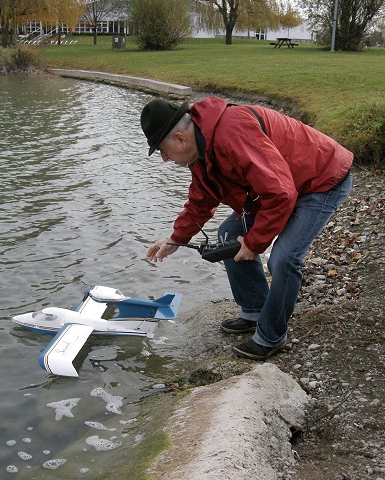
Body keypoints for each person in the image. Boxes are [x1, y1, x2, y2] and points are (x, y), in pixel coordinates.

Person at [140, 96, 353, 360]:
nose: (164, 159)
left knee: (284, 258)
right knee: (228, 234)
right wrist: (175, 240)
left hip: (321, 180)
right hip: (282, 184)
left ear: (180, 139)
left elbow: (281, 193)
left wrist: (254, 244)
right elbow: (201, 200)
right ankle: (255, 311)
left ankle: (271, 336)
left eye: (162, 150)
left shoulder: (232, 132)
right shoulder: (200, 148)